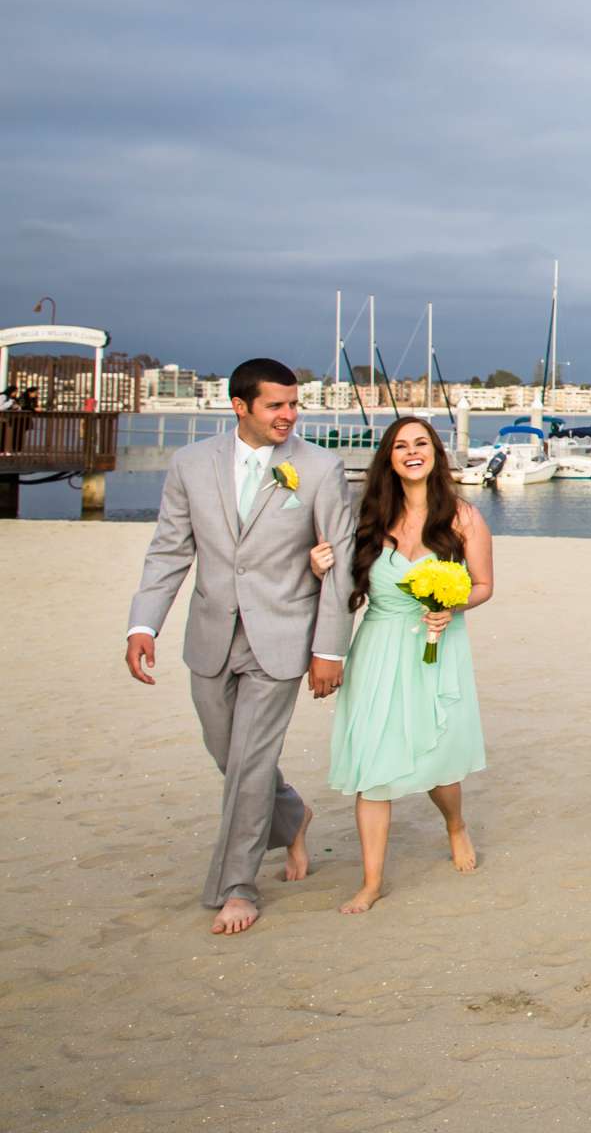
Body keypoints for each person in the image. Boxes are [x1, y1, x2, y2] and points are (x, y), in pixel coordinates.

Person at [124, 357, 353, 934]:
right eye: (276, 405)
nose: (289, 416)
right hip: (209, 635)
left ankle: (236, 886)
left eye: (294, 404)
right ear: (239, 406)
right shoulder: (190, 463)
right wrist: (142, 626)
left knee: (250, 765)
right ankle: (291, 815)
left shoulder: (321, 468)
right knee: (229, 756)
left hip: (281, 637)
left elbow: (342, 565)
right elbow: (170, 550)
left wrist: (330, 648)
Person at [316, 417, 491, 912]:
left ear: (435, 452)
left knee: (437, 761)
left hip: (436, 647)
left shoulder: (463, 518)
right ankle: (371, 882)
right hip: (377, 646)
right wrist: (317, 566)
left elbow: (482, 585)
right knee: (372, 763)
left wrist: (450, 606)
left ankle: (455, 825)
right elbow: (340, 582)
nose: (412, 452)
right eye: (400, 446)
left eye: (421, 443)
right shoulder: (366, 517)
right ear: (388, 458)